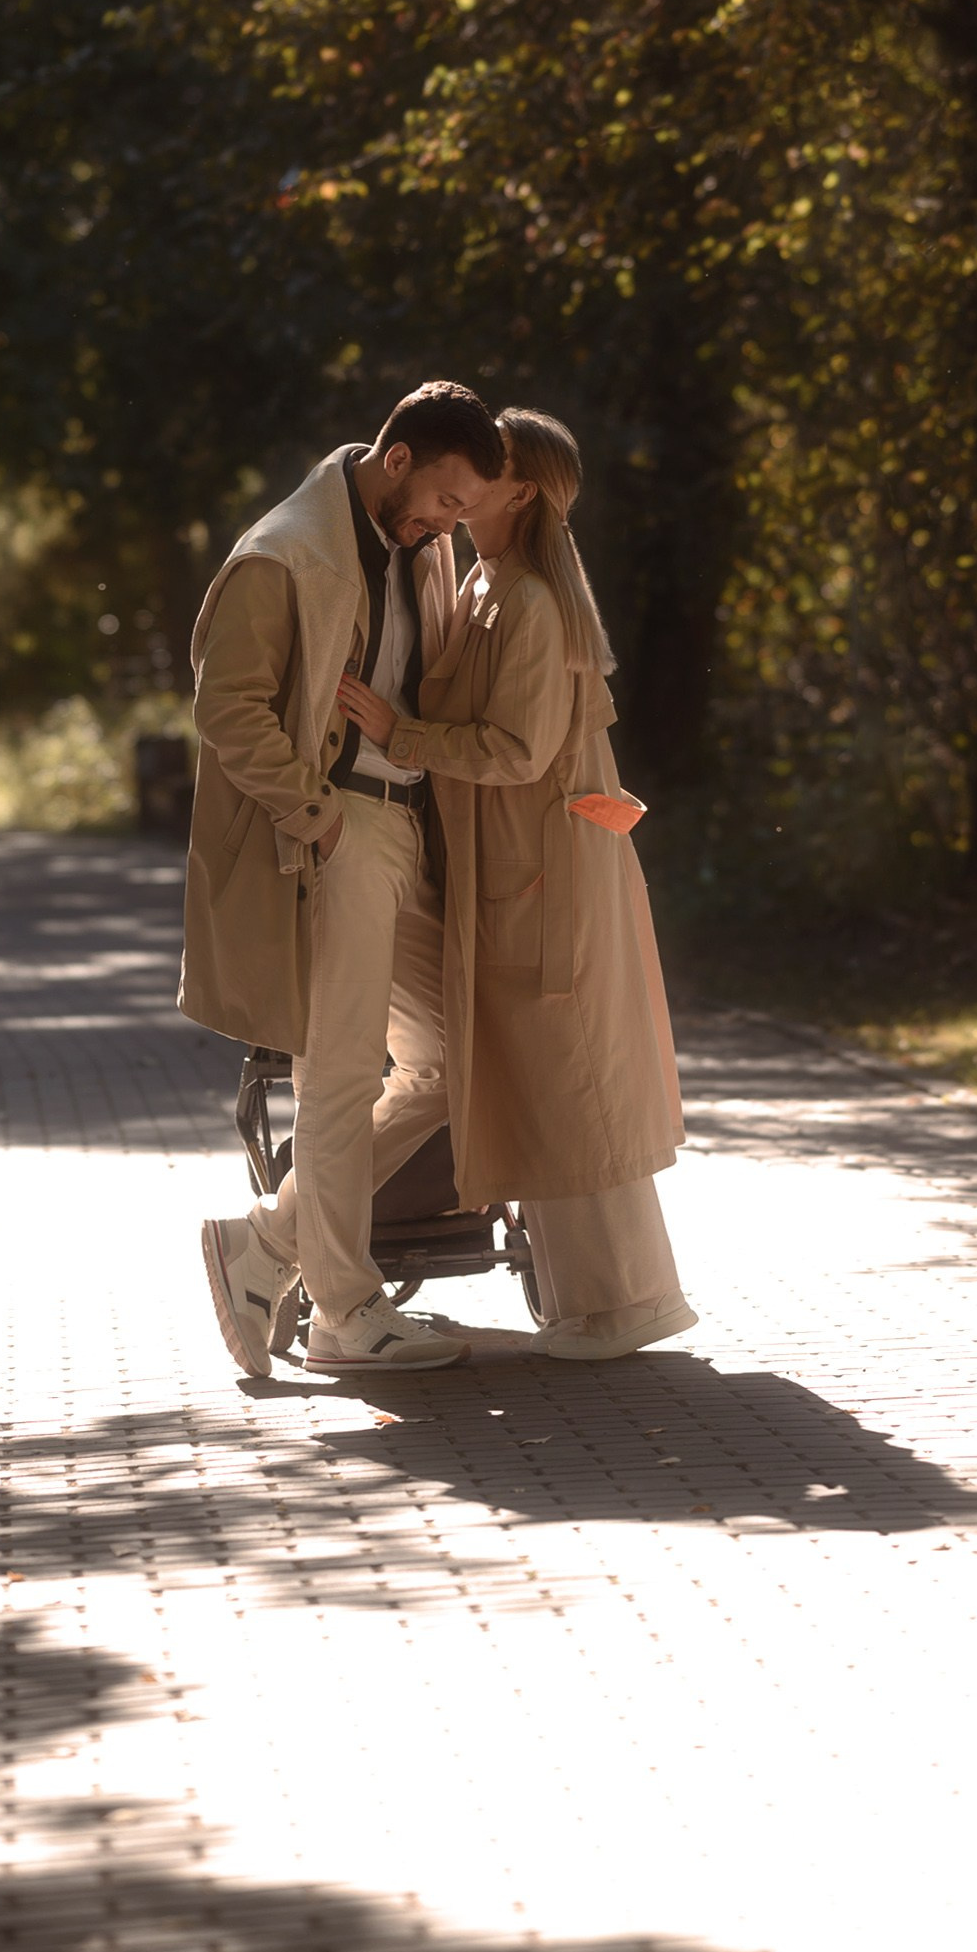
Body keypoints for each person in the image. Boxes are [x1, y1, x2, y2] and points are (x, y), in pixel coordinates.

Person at [338, 406, 696, 1361]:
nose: (465, 485)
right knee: (555, 1078)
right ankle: (601, 1301)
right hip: (521, 867)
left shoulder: (530, 601)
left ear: (523, 489)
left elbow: (517, 750)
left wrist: (394, 733)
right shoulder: (490, 583)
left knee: (573, 1074)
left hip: (543, 874)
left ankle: (622, 1305)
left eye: (486, 472)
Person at [188, 382, 505, 1376]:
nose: (451, 524)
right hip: (335, 829)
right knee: (335, 1077)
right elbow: (226, 705)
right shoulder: (285, 550)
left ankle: (268, 1244)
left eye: (463, 514)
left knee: (454, 1063)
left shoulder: (425, 547)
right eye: (448, 501)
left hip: (407, 828)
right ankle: (343, 1311)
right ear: (398, 457)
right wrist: (312, 814)